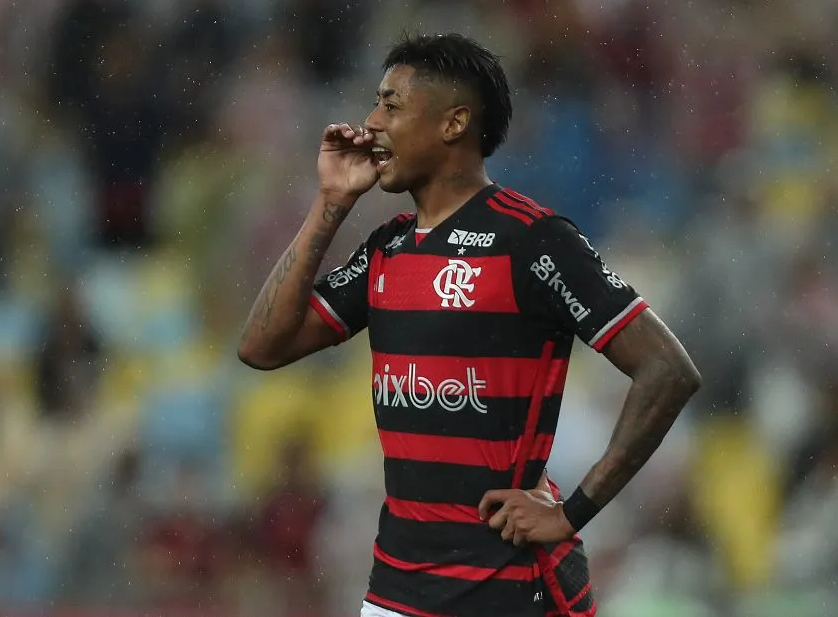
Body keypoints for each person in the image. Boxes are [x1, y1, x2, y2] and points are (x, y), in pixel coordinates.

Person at [237, 33, 701, 617]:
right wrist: (331, 202)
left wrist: (571, 512)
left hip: (503, 589)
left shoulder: (530, 240)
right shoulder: (388, 248)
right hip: (395, 591)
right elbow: (261, 346)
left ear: (453, 123)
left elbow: (667, 369)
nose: (371, 122)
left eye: (391, 105)